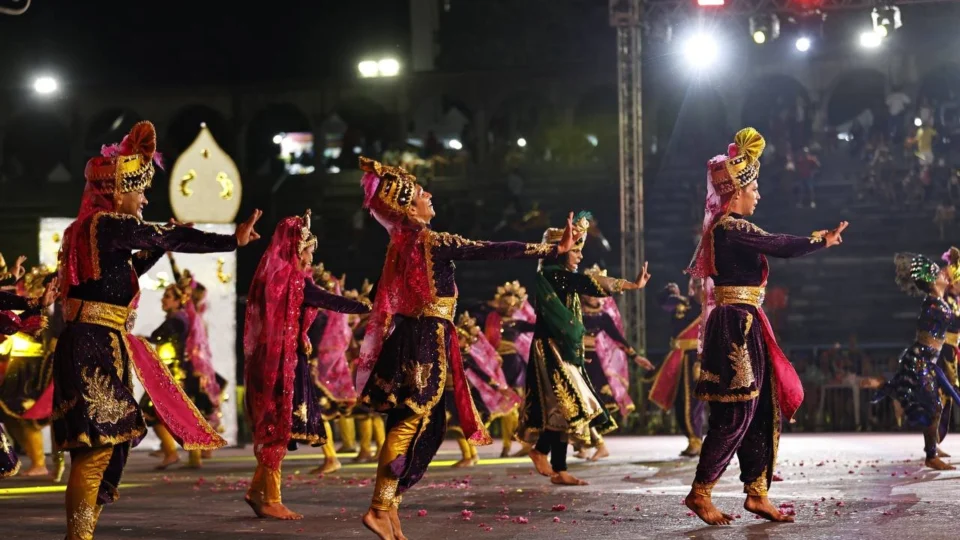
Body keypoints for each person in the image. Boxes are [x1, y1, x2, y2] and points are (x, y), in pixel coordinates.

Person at [53, 121, 262, 540]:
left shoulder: (95, 231)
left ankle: (82, 534)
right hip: (92, 343)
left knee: (107, 443)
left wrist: (157, 246)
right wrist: (229, 241)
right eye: (140, 191)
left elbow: (120, 274)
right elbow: (167, 235)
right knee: (95, 448)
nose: (145, 198)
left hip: (100, 342)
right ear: (116, 192)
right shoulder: (106, 223)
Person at [354, 157, 573, 540]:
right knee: (411, 423)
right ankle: (378, 507)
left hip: (415, 337)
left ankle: (389, 508)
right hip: (425, 341)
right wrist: (550, 250)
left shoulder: (401, 245)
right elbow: (491, 249)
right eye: (423, 193)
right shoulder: (431, 242)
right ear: (409, 207)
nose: (431, 195)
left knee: (421, 424)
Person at [683, 127, 848, 526]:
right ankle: (700, 491)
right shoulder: (729, 227)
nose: (758, 194)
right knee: (737, 411)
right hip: (735, 326)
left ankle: (757, 493)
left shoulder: (734, 228)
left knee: (761, 409)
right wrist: (818, 240)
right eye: (754, 187)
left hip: (748, 321)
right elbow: (778, 244)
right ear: (736, 192)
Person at [243, 210, 371, 521]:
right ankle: (271, 498)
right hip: (282, 363)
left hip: (273, 359)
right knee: (279, 428)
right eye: (309, 249)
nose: (312, 256)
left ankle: (257, 491)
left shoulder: (272, 279)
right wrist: (370, 305)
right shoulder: (294, 282)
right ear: (296, 249)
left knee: (276, 426)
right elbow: (331, 301)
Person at [518, 212, 651, 486]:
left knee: (567, 409)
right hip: (552, 350)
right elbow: (592, 283)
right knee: (572, 406)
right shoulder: (554, 275)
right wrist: (632, 285)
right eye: (575, 251)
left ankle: (559, 468)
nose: (579, 257)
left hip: (562, 349)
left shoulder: (559, 276)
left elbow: (589, 282)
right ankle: (540, 451)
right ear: (560, 252)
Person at [875, 249, 960, 470]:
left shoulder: (938, 303)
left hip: (926, 361)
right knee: (934, 406)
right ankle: (931, 456)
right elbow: (956, 323)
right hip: (920, 362)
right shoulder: (936, 306)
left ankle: (931, 451)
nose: (945, 275)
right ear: (934, 283)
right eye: (941, 276)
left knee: (938, 406)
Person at [575, 264, 654, 461]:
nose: (593, 297)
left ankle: (597, 444)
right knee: (577, 402)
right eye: (589, 292)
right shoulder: (575, 309)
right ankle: (584, 443)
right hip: (576, 359)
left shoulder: (602, 316)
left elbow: (618, 338)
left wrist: (636, 356)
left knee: (587, 402)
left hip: (591, 364)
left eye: (597, 293)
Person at [0, 267, 58, 477]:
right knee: (10, 413)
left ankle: (39, 462)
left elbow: (9, 318)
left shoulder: (55, 312)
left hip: (34, 370)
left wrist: (35, 305)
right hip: (20, 367)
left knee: (23, 411)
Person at [446, 312, 521, 467]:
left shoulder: (466, 357)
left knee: (457, 425)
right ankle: (471, 456)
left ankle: (470, 456)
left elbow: (481, 374)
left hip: (468, 397)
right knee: (457, 425)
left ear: (467, 341)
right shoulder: (454, 354)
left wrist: (497, 387)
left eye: (460, 338)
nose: (456, 341)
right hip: (452, 395)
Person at [138, 282, 193, 470]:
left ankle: (173, 453)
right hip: (167, 373)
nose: (163, 299)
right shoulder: (178, 318)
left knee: (148, 410)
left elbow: (157, 336)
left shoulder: (176, 320)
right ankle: (174, 453)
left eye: (167, 297)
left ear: (178, 301)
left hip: (169, 374)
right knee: (158, 413)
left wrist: (141, 340)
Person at [649, 278, 706, 457]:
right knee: (679, 401)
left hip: (697, 360)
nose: (701, 290)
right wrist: (669, 290)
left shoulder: (711, 309)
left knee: (694, 402)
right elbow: (662, 302)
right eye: (698, 287)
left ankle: (697, 440)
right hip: (677, 359)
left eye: (704, 287)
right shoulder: (683, 303)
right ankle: (691, 439)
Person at [483, 281, 536, 456]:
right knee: (505, 407)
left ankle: (525, 443)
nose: (509, 307)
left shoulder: (518, 324)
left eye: (513, 304)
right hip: (497, 365)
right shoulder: (492, 319)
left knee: (518, 405)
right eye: (505, 303)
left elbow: (538, 326)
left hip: (514, 364)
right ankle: (507, 444)